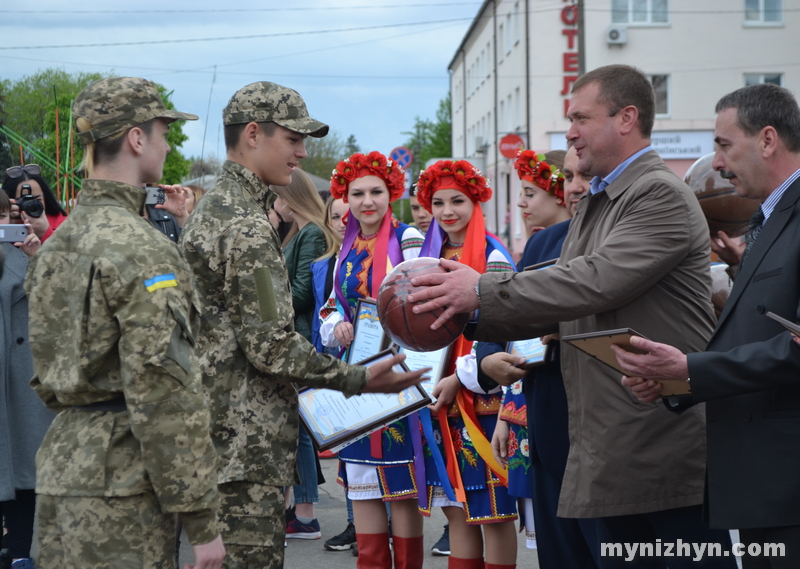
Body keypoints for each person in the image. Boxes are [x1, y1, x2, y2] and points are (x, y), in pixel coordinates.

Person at [406, 64, 736, 568]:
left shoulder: (658, 193)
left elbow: (591, 280)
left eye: (581, 117)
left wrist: (478, 292)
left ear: (626, 118)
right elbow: (562, 304)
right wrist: (466, 317)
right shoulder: (605, 198)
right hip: (616, 441)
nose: (571, 132)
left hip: (659, 443)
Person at [179, 82, 426, 569]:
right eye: (293, 139)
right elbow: (271, 346)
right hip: (244, 445)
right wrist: (361, 378)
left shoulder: (218, 210)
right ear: (254, 134)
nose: (302, 152)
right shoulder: (245, 225)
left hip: (222, 434)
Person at [24, 76, 226, 569]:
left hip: (60, 467)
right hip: (123, 484)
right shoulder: (142, 246)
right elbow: (164, 389)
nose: (167, 142)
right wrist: (202, 521)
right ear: (137, 138)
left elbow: (46, 377)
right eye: (162, 132)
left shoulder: (58, 243)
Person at [615, 83, 800, 568]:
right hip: (766, 484)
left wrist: (688, 370)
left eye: (723, 144)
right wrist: (673, 378)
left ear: (766, 140)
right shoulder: (769, 219)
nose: (715, 162)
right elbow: (756, 333)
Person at [481, 147, 599, 568]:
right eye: (568, 177)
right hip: (546, 420)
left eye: (582, 176)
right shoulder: (540, 243)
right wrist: (487, 361)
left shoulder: (615, 237)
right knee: (558, 551)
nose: (576, 187)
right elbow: (510, 321)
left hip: (601, 426)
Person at [319, 150, 425, 569]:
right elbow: (331, 306)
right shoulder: (344, 250)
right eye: (358, 193)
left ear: (391, 193)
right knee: (363, 483)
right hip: (356, 374)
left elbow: (424, 306)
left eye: (376, 192)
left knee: (399, 486)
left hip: (397, 375)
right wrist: (336, 325)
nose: (367, 201)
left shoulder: (408, 240)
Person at [412, 159, 517, 569]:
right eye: (438, 202)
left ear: (476, 200)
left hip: (480, 401)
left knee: (493, 512)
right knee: (456, 508)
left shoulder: (494, 255)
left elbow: (501, 331)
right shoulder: (428, 255)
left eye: (458, 200)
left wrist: (459, 377)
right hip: (437, 395)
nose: (447, 210)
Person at [272, 168, 340, 540]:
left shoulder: (311, 232)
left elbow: (303, 293)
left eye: (276, 196)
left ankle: (306, 512)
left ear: (290, 197)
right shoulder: (300, 231)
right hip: (297, 338)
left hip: (301, 339)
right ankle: (298, 509)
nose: (273, 203)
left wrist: (266, 294)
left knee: (297, 430)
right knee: (296, 428)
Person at [0, 193, 45, 569]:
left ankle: (20, 556)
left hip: (22, 399)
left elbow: (56, 305)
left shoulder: (26, 256)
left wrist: (36, 257)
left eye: (3, 215)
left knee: (23, 490)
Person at [2, 166, 68, 242]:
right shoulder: (5, 224)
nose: (31, 204)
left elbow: (70, 252)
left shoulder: (66, 224)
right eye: (23, 200)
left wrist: (45, 232)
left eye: (37, 200)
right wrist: (6, 224)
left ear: (46, 198)